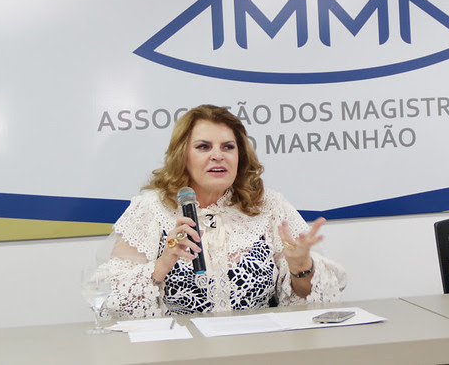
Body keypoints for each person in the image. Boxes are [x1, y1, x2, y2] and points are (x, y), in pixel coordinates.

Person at [99, 104, 347, 318]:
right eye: (204, 147)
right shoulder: (151, 209)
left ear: (240, 157)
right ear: (182, 155)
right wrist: (162, 265)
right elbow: (113, 303)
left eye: (228, 147)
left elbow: (313, 299)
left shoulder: (269, 206)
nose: (218, 156)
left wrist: (301, 267)